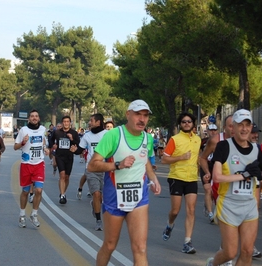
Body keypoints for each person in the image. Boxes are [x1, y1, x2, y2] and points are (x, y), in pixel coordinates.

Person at [87, 99, 161, 265]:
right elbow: (92, 165)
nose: (142, 119)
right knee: (110, 245)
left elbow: (146, 161)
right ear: (128, 114)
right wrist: (117, 165)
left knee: (140, 248)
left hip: (139, 198)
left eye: (145, 116)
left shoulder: (147, 139)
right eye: (138, 115)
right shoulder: (114, 135)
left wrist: (154, 178)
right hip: (115, 197)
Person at [205, 109, 262, 266]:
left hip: (249, 205)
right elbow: (217, 177)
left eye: (247, 125)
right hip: (228, 204)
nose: (244, 129)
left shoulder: (256, 149)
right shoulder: (224, 146)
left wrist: (261, 176)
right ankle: (213, 263)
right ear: (232, 127)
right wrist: (244, 175)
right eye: (240, 125)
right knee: (230, 252)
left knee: (248, 251)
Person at [161, 112, 201, 254]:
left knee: (191, 210)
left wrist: (206, 171)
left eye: (189, 121)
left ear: (193, 124)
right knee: (175, 211)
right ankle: (169, 225)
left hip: (192, 179)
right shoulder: (175, 139)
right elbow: (164, 159)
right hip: (176, 178)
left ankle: (187, 242)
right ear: (180, 124)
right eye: (183, 122)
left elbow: (198, 158)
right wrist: (181, 157)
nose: (186, 124)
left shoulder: (198, 140)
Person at [71, 113, 107, 231]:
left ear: (98, 122)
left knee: (101, 197)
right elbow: (80, 150)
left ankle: (94, 204)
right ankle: (98, 220)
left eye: (91, 121)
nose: (89, 123)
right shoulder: (87, 136)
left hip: (105, 169)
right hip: (91, 169)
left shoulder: (108, 135)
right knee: (96, 193)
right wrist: (74, 150)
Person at [14, 110, 49, 228]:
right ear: (29, 118)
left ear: (39, 118)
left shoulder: (43, 129)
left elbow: (44, 142)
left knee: (38, 190)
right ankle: (22, 215)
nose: (34, 118)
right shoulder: (23, 130)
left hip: (39, 163)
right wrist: (23, 142)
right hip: (26, 164)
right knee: (25, 191)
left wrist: (46, 149)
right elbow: (15, 146)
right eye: (32, 116)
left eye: (36, 116)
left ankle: (34, 214)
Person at [50, 116, 80, 204]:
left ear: (70, 123)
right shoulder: (57, 132)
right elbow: (51, 140)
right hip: (60, 156)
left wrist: (72, 139)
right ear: (62, 122)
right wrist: (53, 146)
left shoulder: (74, 133)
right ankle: (62, 195)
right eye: (64, 121)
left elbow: (78, 144)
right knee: (62, 175)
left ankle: (63, 192)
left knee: (67, 177)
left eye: (67, 121)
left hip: (69, 156)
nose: (66, 123)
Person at [199, 123, 218, 223]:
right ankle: (211, 214)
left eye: (215, 130)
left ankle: (208, 203)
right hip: (205, 166)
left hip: (216, 167)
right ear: (207, 131)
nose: (213, 132)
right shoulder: (203, 141)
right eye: (211, 130)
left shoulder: (220, 141)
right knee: (207, 189)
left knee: (213, 191)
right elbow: (199, 154)